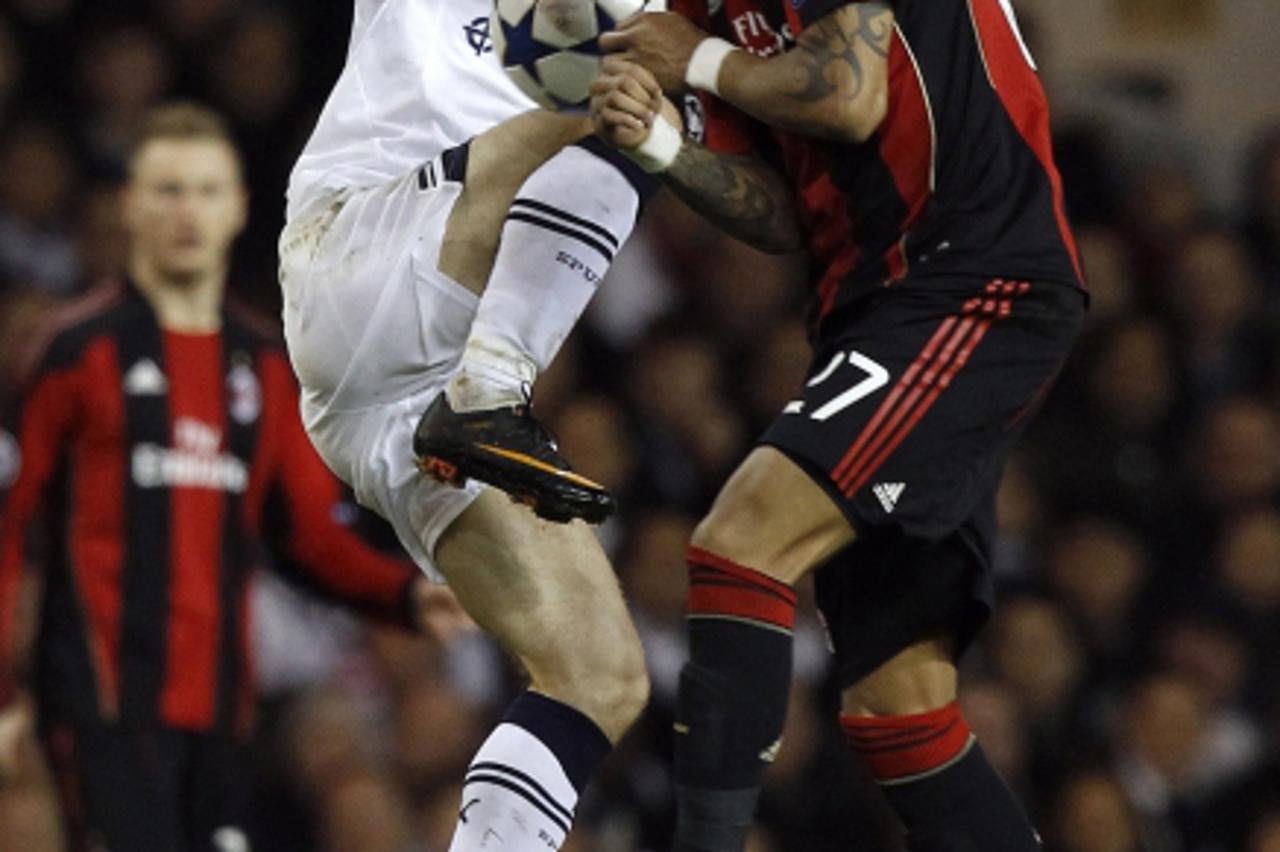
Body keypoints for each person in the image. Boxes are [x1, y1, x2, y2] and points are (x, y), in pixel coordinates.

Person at [591, 1, 1086, 849]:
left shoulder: (696, 32)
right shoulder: (700, 13)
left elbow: (847, 96)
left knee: (741, 541)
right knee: (898, 708)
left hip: (973, 273)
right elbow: (782, 214)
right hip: (873, 308)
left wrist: (700, 61)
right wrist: (664, 145)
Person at [0, 101, 469, 852]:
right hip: (102, 698)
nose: (188, 213)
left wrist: (400, 594)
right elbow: (17, 537)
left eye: (207, 191)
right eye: (168, 191)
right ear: (132, 207)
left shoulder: (267, 363)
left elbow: (308, 535)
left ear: (239, 208)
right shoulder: (75, 353)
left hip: (225, 701)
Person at [278, 1, 658, 849]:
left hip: (423, 394)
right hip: (371, 248)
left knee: (600, 676)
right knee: (631, 91)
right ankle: (488, 397)